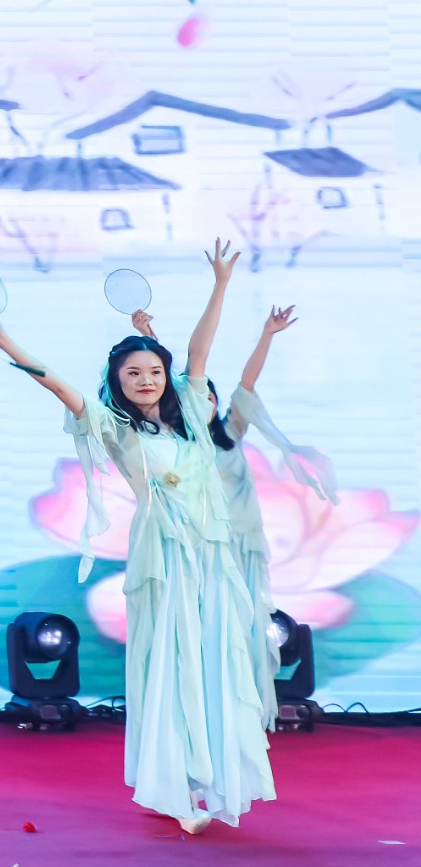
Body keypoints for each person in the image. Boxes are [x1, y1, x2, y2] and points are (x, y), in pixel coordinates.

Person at [0, 241, 272, 833]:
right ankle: (177, 787)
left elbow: (198, 351)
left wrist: (220, 283)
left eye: (154, 372)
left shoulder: (193, 416)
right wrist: (7, 343)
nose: (145, 380)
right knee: (173, 664)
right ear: (117, 380)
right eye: (133, 373)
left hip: (212, 555)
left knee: (217, 661)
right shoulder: (115, 427)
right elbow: (61, 389)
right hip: (164, 558)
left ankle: (207, 783)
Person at [133, 304, 338, 729]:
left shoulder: (230, 433)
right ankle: (199, 710)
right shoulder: (179, 445)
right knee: (200, 629)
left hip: (241, 545)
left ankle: (244, 713)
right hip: (198, 548)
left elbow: (247, 383)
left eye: (211, 396)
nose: (206, 400)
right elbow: (174, 377)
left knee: (244, 629)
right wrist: (148, 336)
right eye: (199, 396)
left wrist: (267, 335)